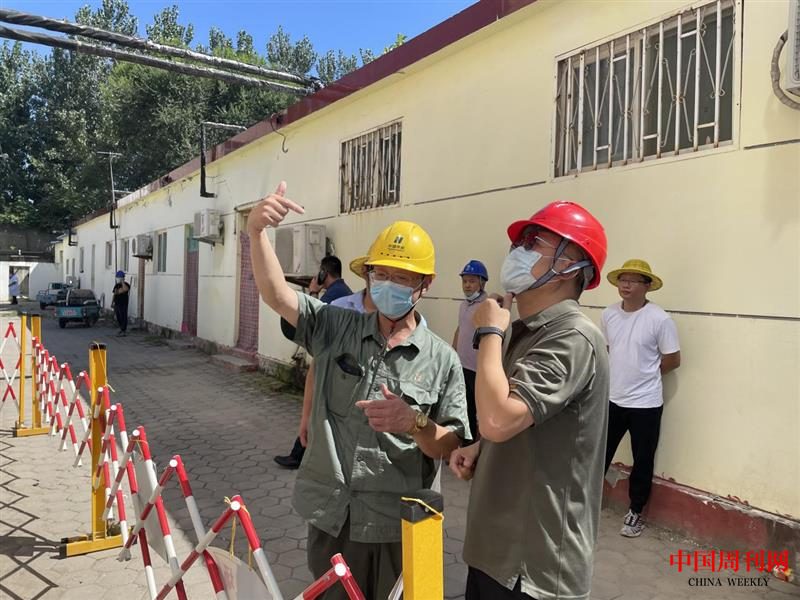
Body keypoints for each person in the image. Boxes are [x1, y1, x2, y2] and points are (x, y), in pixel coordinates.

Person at [247, 181, 469, 599]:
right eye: (379, 274)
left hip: (395, 524)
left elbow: (450, 445)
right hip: (333, 514)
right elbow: (277, 296)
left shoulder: (442, 360)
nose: (386, 284)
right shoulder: (336, 325)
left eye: (400, 277)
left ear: (424, 283)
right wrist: (256, 232)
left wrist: (415, 422)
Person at [450, 201, 609, 600]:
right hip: (494, 551)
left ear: (569, 266)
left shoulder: (572, 337)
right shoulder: (527, 330)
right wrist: (481, 448)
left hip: (533, 567)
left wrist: (490, 332)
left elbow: (498, 420)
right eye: (519, 242)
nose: (517, 251)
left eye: (534, 242)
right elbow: (519, 421)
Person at [602, 259, 681, 538]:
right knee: (598, 454)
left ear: (647, 286)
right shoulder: (609, 314)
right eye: (623, 279)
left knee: (642, 460)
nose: (626, 285)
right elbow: (610, 350)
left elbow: (673, 359)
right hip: (612, 398)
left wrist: (644, 377)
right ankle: (585, 502)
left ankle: (635, 512)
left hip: (646, 404)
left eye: (633, 281)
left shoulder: (659, 319)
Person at [274, 255, 352, 469]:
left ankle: (299, 455)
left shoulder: (332, 296)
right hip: (338, 362)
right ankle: (302, 454)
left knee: (317, 410)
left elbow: (309, 320)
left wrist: (313, 291)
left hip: (330, 362)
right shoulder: (343, 291)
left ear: (324, 273)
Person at [452, 260, 489, 440]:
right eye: (464, 281)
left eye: (472, 281)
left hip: (477, 368)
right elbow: (460, 329)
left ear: (482, 283)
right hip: (462, 365)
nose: (467, 285)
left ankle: (476, 446)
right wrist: (452, 352)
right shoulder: (463, 305)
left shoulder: (487, 306)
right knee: (464, 406)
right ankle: (465, 443)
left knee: (479, 411)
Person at [111, 270, 130, 337]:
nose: (118, 278)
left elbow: (125, 289)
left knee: (123, 317)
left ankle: (124, 330)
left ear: (123, 278)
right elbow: (115, 294)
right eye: (117, 277)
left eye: (119, 277)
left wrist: (122, 282)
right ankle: (121, 329)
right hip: (117, 304)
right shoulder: (116, 285)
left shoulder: (126, 284)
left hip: (123, 304)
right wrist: (112, 302)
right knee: (118, 317)